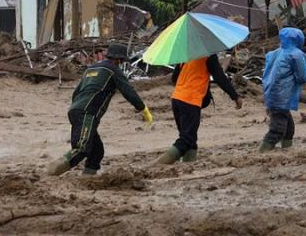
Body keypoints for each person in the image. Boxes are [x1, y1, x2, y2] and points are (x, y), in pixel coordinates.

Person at [46, 43, 153, 176]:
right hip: (87, 113)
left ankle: (88, 177)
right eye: (121, 61)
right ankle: (52, 171)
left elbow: (76, 92)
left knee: (97, 151)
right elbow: (128, 91)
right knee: (82, 149)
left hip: (75, 110)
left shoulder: (91, 69)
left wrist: (75, 117)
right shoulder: (113, 70)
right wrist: (143, 109)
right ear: (119, 60)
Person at [155, 52, 243, 164]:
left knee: (190, 138)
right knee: (186, 140)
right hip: (190, 101)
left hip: (177, 99)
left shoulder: (186, 55)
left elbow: (174, 78)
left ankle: (189, 165)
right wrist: (235, 96)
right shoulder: (208, 55)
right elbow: (219, 77)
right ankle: (156, 165)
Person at [259, 27, 306, 152]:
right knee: (278, 128)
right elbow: (302, 76)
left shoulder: (274, 53)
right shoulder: (295, 54)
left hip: (270, 91)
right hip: (283, 94)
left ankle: (287, 150)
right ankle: (263, 151)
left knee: (288, 128)